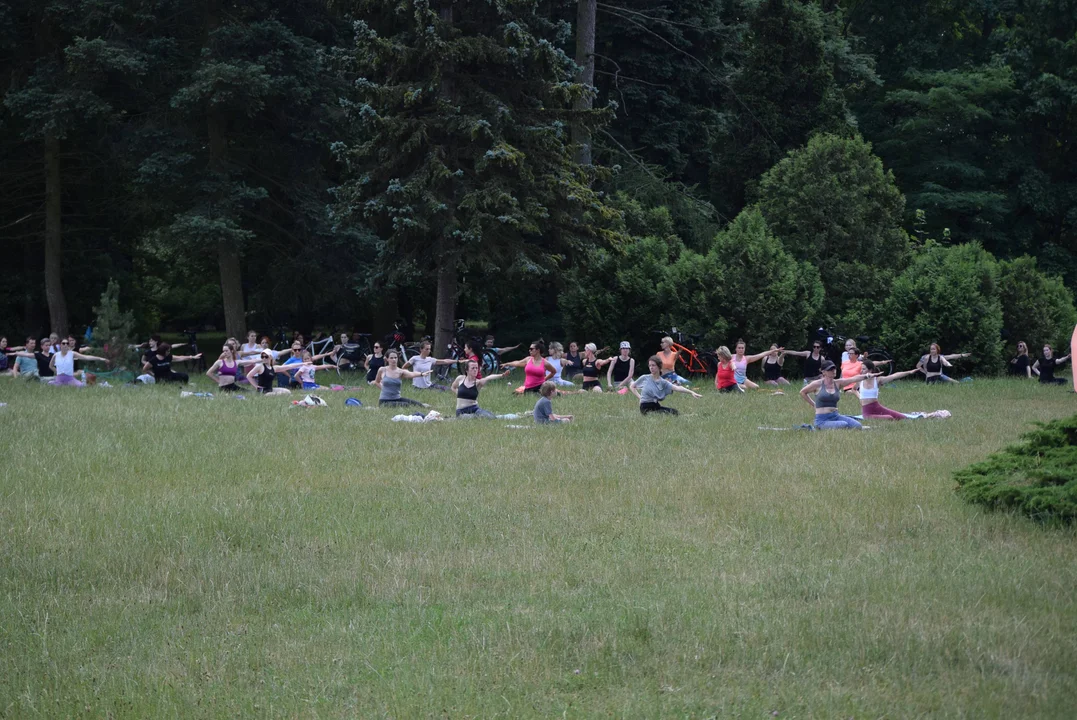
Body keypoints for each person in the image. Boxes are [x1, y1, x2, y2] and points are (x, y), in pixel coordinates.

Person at [800, 360, 877, 429]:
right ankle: (819, 427)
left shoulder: (838, 383)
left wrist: (867, 376)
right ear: (823, 372)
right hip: (822, 419)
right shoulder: (817, 384)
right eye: (830, 369)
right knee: (843, 424)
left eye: (834, 368)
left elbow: (854, 378)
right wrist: (814, 404)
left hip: (835, 416)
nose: (833, 371)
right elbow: (802, 392)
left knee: (858, 425)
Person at [631, 355, 702, 414]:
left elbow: (677, 388)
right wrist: (640, 397)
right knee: (664, 414)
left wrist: (691, 392)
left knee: (674, 412)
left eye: (653, 365)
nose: (651, 367)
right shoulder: (644, 378)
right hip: (645, 408)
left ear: (659, 367)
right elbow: (632, 386)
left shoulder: (663, 382)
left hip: (655, 406)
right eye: (650, 366)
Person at [858, 361, 922, 420]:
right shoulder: (859, 380)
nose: (861, 371)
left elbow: (894, 376)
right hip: (867, 413)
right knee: (889, 418)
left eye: (864, 369)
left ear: (870, 370)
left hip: (877, 407)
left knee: (903, 417)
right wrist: (860, 397)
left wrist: (909, 372)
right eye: (861, 369)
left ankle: (922, 415)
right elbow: (853, 389)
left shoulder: (877, 380)